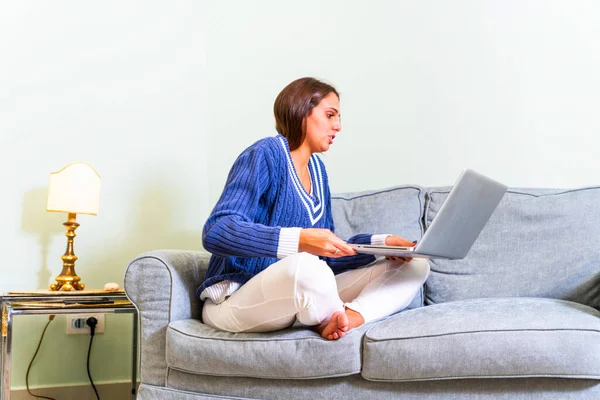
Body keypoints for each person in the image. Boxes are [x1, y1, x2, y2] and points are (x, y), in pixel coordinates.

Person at [198, 77, 430, 340]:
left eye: (338, 117)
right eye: (330, 115)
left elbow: (327, 258)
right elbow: (217, 230)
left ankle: (348, 318)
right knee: (308, 267)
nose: (338, 126)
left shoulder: (318, 172)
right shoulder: (265, 153)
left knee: (416, 266)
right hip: (236, 299)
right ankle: (324, 318)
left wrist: (382, 245)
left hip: (295, 296)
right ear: (301, 111)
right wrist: (300, 240)